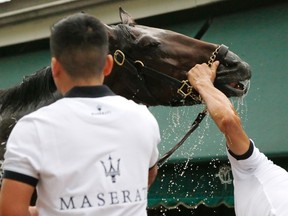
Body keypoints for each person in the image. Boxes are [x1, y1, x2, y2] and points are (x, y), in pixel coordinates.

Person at [0, 13, 160, 216]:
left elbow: (11, 211)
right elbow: (149, 174)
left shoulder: (32, 127)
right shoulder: (143, 117)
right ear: (109, 64)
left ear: (55, 68)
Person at [187, 61, 288, 216]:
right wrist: (204, 84)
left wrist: (203, 83)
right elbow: (229, 121)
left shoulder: (262, 171)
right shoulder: (259, 169)